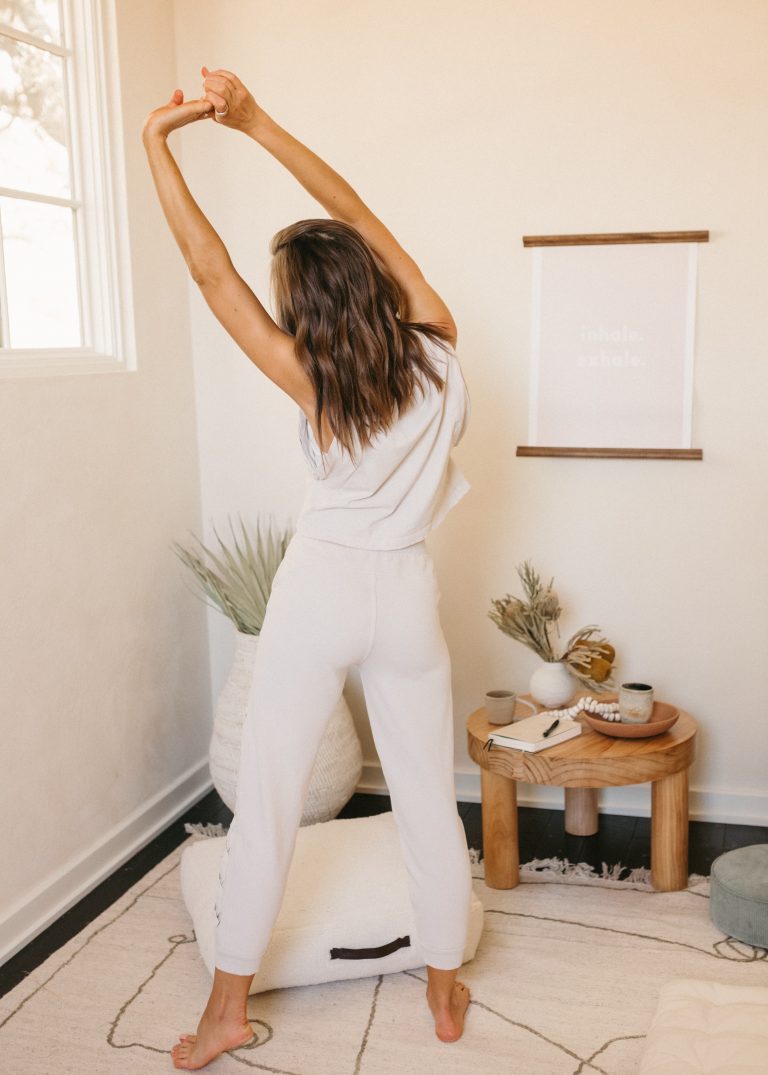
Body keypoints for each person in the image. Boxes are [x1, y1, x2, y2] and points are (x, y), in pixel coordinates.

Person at [142, 66, 474, 1071]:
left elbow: (211, 278)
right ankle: (445, 981)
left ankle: (224, 1012)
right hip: (408, 593)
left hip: (324, 587)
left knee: (271, 797)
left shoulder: (313, 384)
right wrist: (255, 122)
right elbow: (355, 209)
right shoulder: (443, 350)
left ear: (308, 316)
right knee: (424, 792)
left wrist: (158, 143)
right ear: (372, 282)